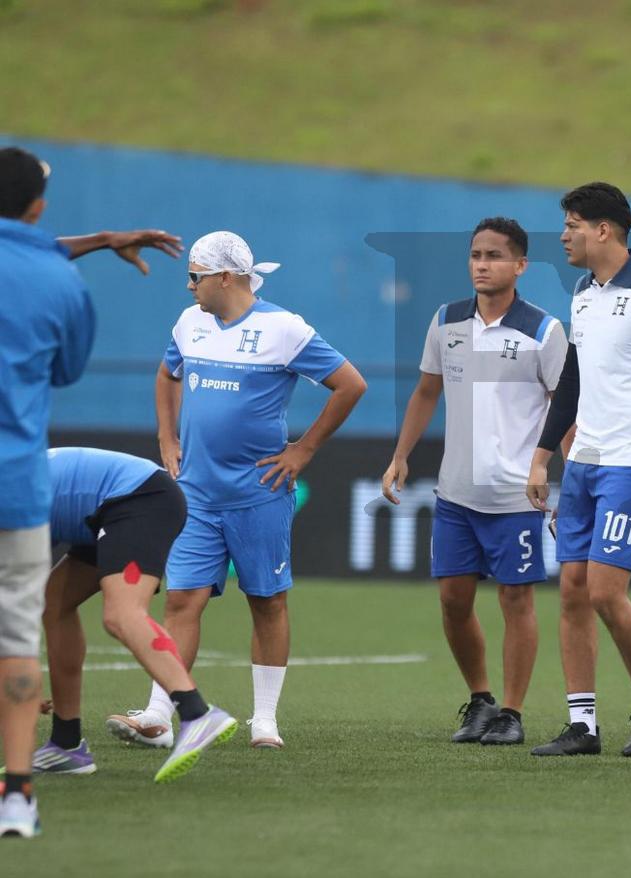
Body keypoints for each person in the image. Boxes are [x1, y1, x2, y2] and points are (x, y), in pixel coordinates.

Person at [107, 231, 366, 751]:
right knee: (182, 599)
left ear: (225, 277)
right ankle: (159, 715)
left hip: (259, 491)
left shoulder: (284, 328)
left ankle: (264, 720)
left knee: (267, 601)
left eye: (196, 276)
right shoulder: (190, 322)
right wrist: (167, 437)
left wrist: (303, 451)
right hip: (195, 495)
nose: (189, 286)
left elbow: (351, 384)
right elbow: (167, 374)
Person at [381, 218, 567, 745]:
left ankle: (513, 712)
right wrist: (400, 456)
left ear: (520, 265)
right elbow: (426, 392)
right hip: (455, 494)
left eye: (494, 256)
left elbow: (565, 409)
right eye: (476, 255)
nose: (482, 265)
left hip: (516, 496)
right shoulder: (447, 321)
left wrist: (568, 479)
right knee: (453, 600)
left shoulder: (544, 331)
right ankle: (481, 700)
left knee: (516, 601)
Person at [527, 182, 631, 757]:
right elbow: (571, 382)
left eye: (572, 225)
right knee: (573, 591)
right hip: (584, 463)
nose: (563, 235)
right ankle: (583, 725)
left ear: (603, 230)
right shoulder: (582, 292)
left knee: (604, 590)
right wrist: (542, 457)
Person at [37, 448, 236, 783]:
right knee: (53, 602)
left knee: (121, 614)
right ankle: (66, 745)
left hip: (139, 498)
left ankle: (198, 713)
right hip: (106, 508)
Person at [0, 146, 94, 838]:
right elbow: (66, 370)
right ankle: (17, 795)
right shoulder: (61, 279)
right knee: (15, 640)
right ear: (38, 207)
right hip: (16, 485)